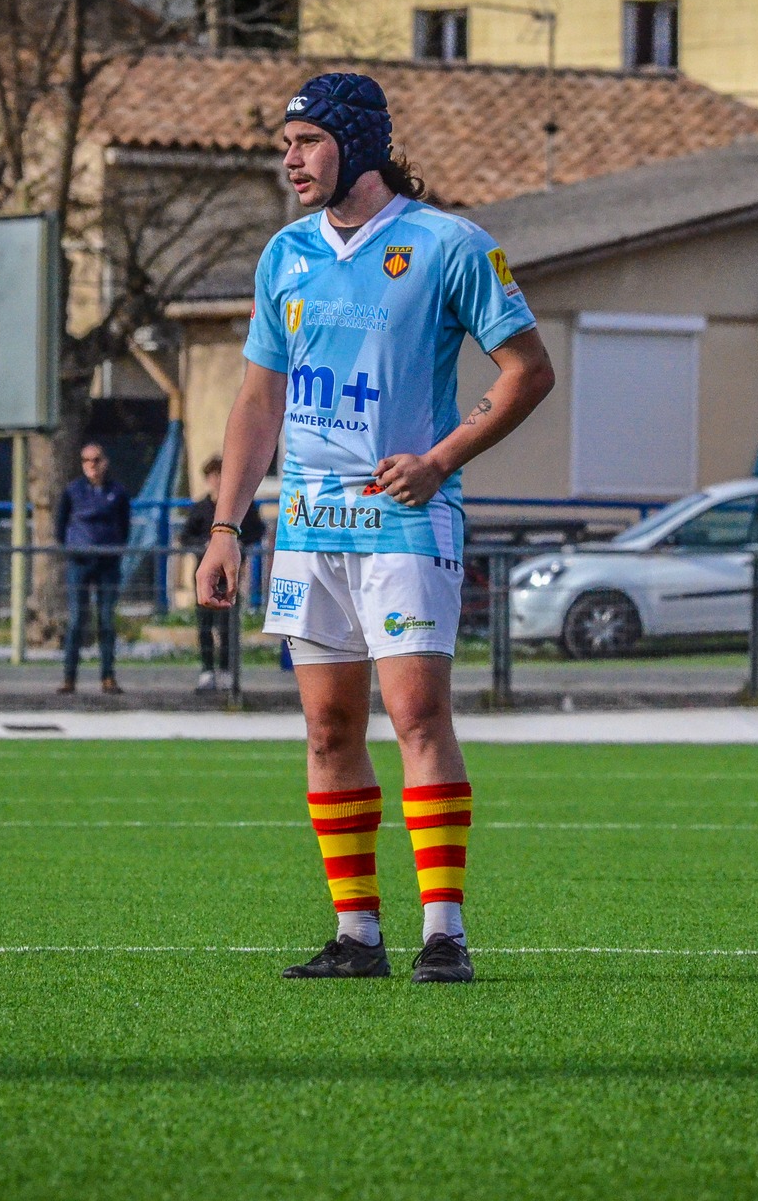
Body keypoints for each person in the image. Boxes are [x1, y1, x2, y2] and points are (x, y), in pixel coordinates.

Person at [196, 72, 555, 984]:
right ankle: (356, 937)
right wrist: (225, 526)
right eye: (288, 143)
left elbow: (528, 371)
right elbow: (258, 397)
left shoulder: (451, 245)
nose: (290, 159)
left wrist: (442, 458)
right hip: (309, 524)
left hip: (405, 514)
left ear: (356, 144)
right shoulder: (285, 255)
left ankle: (446, 933)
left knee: (417, 713)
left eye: (308, 141)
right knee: (326, 731)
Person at [180, 455, 263, 693]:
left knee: (228, 625)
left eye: (221, 475)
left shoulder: (243, 506)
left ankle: (227, 671)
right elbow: (185, 537)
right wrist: (204, 545)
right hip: (205, 575)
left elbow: (256, 532)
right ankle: (207, 671)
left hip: (230, 577)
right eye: (213, 476)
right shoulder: (200, 508)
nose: (217, 481)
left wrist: (235, 544)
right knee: (205, 625)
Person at [56, 441, 131, 696]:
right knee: (77, 620)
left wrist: (114, 548)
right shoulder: (73, 491)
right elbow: (60, 524)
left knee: (107, 621)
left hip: (108, 563)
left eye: (96, 460)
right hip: (79, 562)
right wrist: (72, 548)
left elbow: (125, 526)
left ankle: (108, 676)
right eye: (86, 461)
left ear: (105, 461)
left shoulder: (117, 492)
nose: (92, 465)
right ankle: (69, 678)